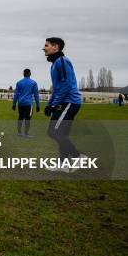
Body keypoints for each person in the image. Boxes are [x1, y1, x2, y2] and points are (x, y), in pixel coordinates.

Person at [43, 37, 85, 172]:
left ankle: (79, 157)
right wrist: (50, 104)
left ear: (56, 47)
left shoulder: (62, 61)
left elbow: (66, 84)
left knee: (54, 132)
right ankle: (63, 165)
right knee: (61, 134)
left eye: (46, 45)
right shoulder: (54, 63)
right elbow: (57, 87)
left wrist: (55, 104)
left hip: (70, 102)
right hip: (63, 102)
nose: (44, 48)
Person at [12, 69, 41, 138]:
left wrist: (14, 104)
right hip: (28, 104)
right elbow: (36, 95)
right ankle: (26, 133)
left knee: (20, 117)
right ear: (30, 74)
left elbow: (16, 94)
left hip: (20, 104)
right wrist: (38, 105)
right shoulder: (33, 83)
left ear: (23, 74)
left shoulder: (19, 83)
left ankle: (19, 132)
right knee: (28, 118)